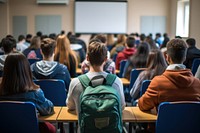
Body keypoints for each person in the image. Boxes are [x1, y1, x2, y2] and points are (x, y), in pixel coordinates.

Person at [138, 39, 200, 112]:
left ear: (167, 58)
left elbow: (142, 105)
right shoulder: (197, 83)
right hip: (191, 123)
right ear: (184, 57)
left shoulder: (158, 82)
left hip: (163, 123)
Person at [0, 53, 56, 133]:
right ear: (26, 70)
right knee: (51, 129)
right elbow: (48, 110)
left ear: (6, 70)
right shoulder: (35, 93)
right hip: (30, 129)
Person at [66, 40, 125, 113]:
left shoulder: (75, 82)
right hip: (110, 123)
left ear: (87, 58)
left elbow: (70, 106)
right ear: (106, 59)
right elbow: (122, 106)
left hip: (86, 124)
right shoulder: (116, 81)